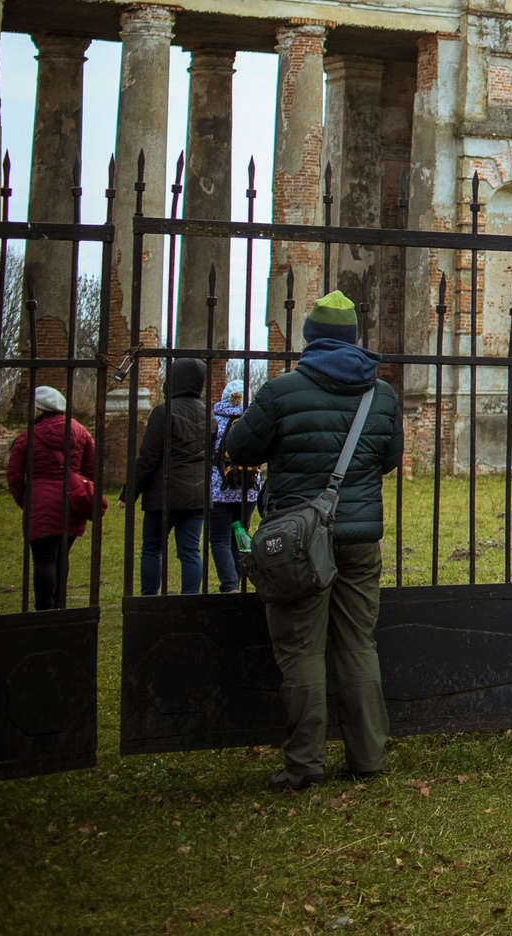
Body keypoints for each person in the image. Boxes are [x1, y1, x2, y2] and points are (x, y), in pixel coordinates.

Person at [216, 289, 403, 791]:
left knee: (301, 649)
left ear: (310, 339)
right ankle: (368, 757)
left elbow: (238, 447)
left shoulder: (281, 392)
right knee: (358, 644)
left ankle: (304, 765)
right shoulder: (382, 396)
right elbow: (387, 460)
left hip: (298, 541)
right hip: (360, 538)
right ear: (353, 339)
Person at [5, 385, 96, 611]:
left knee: (43, 559)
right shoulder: (81, 432)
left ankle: (45, 608)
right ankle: (60, 604)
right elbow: (92, 470)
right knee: (61, 556)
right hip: (71, 502)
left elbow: (15, 475)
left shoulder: (28, 436)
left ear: (39, 409)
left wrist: (25, 501)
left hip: (39, 501)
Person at [127, 356, 211, 596]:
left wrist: (130, 492)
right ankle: (190, 599)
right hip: (196, 495)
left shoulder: (163, 413)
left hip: (163, 497)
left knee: (152, 548)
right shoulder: (209, 415)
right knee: (190, 551)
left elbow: (148, 458)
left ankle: (150, 599)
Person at [208, 372, 262, 594]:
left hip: (220, 490)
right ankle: (242, 581)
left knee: (220, 539)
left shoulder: (215, 420)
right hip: (248, 492)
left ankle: (229, 585)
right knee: (240, 534)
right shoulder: (255, 420)